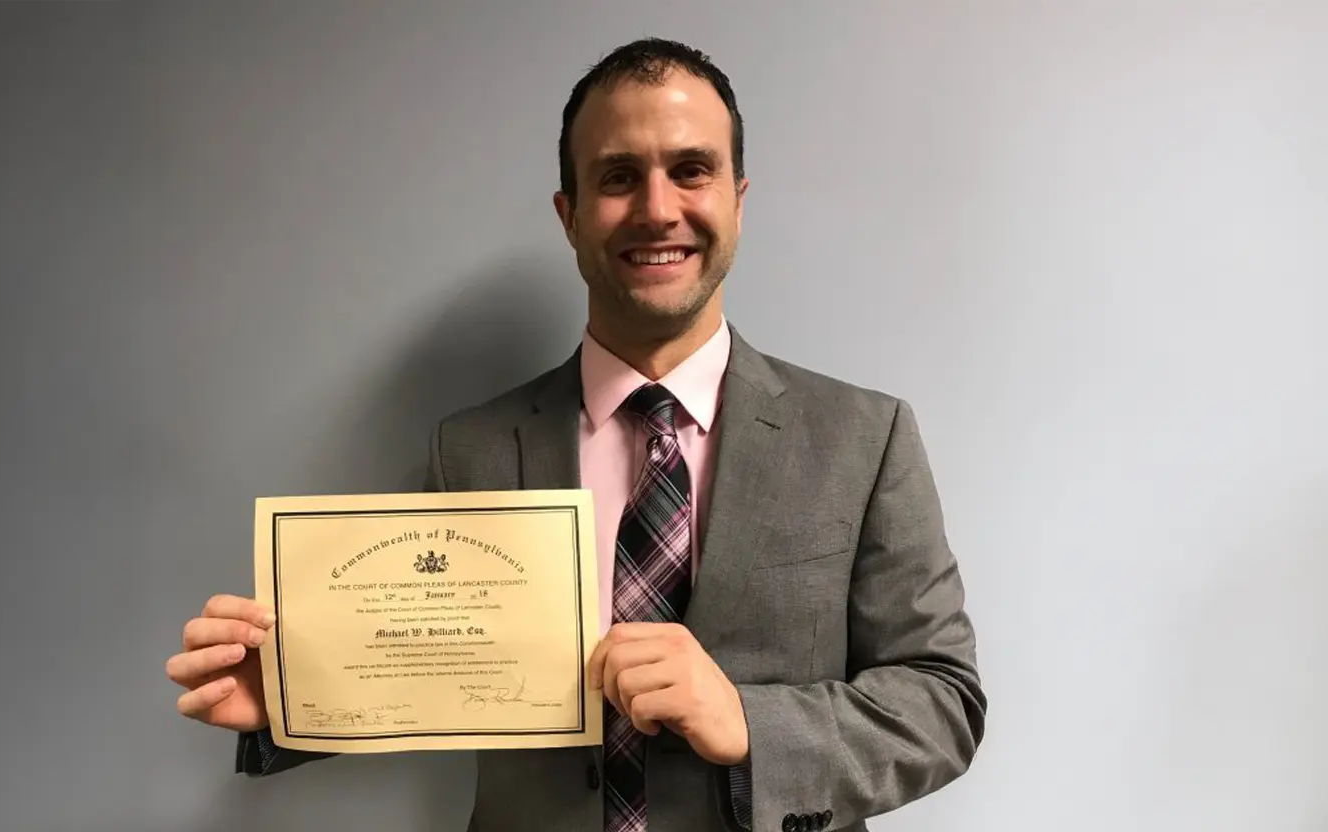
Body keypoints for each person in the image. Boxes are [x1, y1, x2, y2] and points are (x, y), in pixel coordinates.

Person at [166, 37, 986, 832]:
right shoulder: (471, 450)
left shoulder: (863, 438)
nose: (658, 208)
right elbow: (432, 670)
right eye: (618, 177)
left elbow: (942, 702)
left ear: (737, 196)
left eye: (690, 171)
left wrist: (746, 720)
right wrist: (291, 702)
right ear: (570, 214)